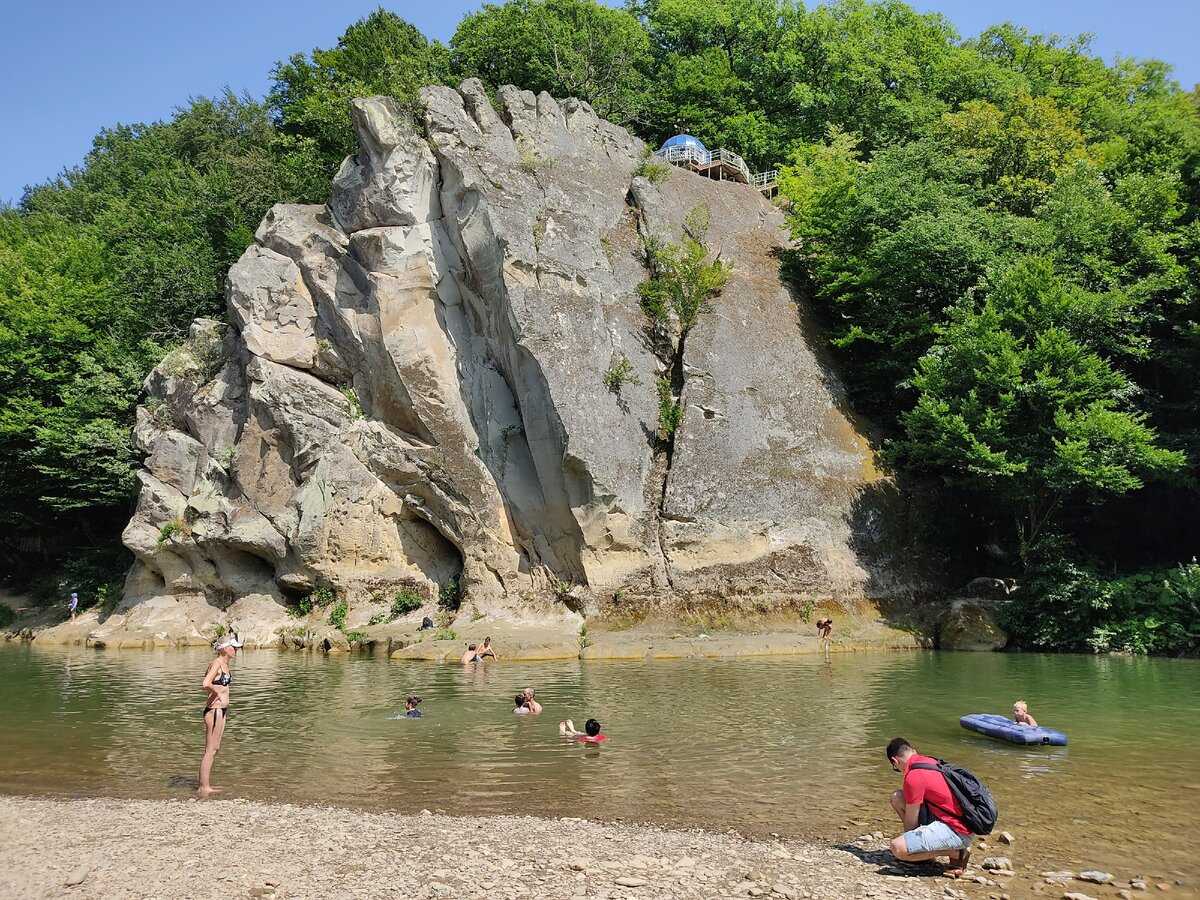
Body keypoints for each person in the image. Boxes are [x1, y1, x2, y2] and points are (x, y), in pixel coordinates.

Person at [884, 737, 972, 877]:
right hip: (963, 822)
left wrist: (911, 848)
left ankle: (956, 852)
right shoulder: (930, 761)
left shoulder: (913, 776)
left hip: (956, 830)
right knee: (898, 797)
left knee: (897, 848)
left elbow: (911, 824)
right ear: (914, 751)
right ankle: (933, 850)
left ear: (895, 761)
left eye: (895, 768)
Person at [198, 633, 242, 797]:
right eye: (233, 647)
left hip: (221, 710)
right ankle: (204, 788)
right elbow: (205, 684)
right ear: (225, 649)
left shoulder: (224, 663)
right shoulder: (217, 663)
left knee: (213, 748)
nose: (236, 650)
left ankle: (205, 785)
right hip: (214, 710)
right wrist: (215, 691)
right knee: (211, 749)